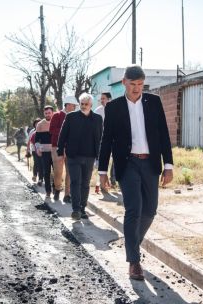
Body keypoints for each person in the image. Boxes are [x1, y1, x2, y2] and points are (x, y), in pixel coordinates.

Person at [99, 65, 173, 281]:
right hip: (127, 163)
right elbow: (106, 141)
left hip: (150, 163)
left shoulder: (154, 102)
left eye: (140, 84)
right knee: (134, 210)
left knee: (150, 210)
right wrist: (102, 171)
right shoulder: (113, 108)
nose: (136, 89)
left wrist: (168, 164)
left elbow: (164, 134)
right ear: (124, 82)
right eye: (132, 84)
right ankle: (134, 261)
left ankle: (131, 244)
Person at [58, 93, 103, 220]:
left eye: (86, 104)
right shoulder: (71, 117)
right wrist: (60, 151)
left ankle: (83, 208)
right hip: (73, 155)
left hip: (90, 156)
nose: (83, 106)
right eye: (82, 104)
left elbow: (99, 138)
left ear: (91, 105)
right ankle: (76, 209)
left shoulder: (98, 119)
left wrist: (99, 156)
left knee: (85, 183)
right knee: (75, 182)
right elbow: (63, 135)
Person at [50, 96, 79, 202]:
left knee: (70, 172)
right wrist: (66, 132)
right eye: (73, 105)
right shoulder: (57, 115)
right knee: (58, 171)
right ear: (67, 104)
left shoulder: (76, 117)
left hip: (71, 148)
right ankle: (57, 189)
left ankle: (67, 195)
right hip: (57, 147)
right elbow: (52, 130)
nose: (75, 107)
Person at [94, 92, 116, 194]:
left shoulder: (117, 108)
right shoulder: (98, 111)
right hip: (102, 140)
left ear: (109, 99)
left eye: (103, 98)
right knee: (102, 161)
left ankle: (113, 180)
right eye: (101, 99)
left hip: (116, 139)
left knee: (116, 160)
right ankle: (101, 184)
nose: (101, 100)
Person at [35, 106, 55, 199]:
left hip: (55, 151)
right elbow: (36, 139)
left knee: (57, 171)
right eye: (46, 113)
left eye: (49, 113)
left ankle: (56, 188)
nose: (47, 115)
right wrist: (38, 148)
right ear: (44, 114)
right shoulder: (40, 124)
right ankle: (48, 191)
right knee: (46, 172)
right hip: (45, 152)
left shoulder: (56, 122)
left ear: (52, 112)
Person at [27, 118, 44, 186]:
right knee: (37, 163)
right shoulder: (32, 132)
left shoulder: (44, 130)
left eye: (39, 123)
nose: (38, 124)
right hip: (34, 150)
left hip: (42, 150)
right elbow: (29, 141)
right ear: (34, 124)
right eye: (36, 123)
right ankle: (35, 175)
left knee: (41, 164)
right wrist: (27, 149)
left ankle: (40, 178)